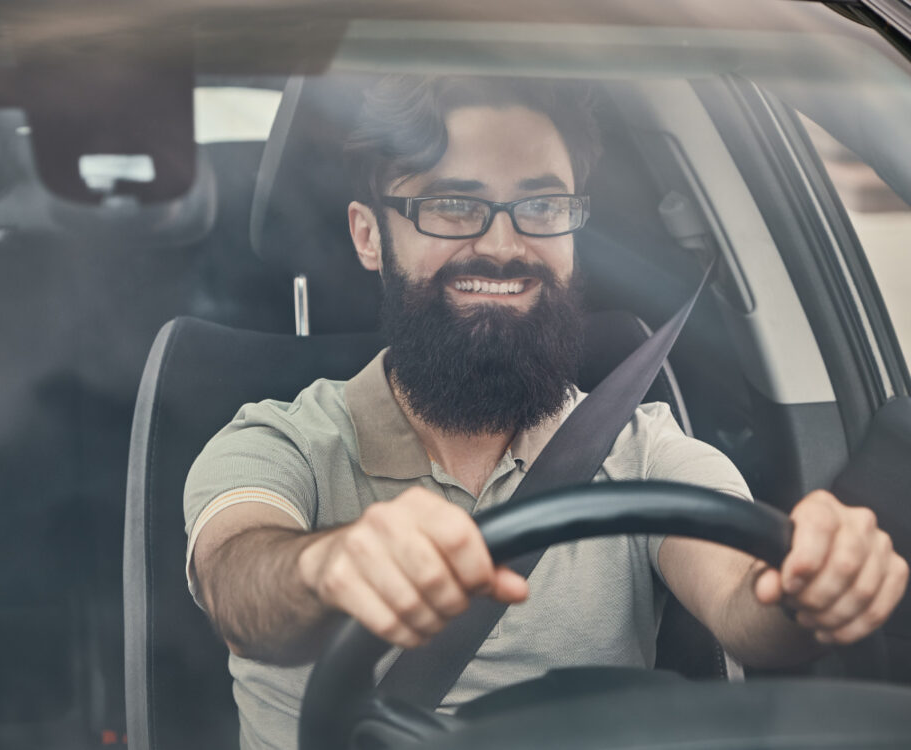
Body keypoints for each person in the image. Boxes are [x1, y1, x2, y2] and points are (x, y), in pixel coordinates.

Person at [184, 76, 908, 750]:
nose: (503, 246)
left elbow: (745, 603)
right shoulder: (281, 440)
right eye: (452, 205)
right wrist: (330, 567)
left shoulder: (642, 445)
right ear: (370, 235)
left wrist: (808, 588)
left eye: (541, 206)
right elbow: (239, 587)